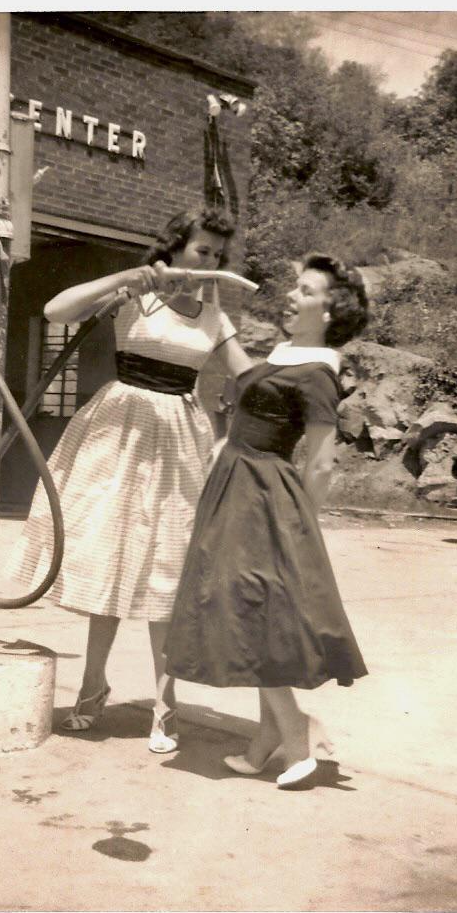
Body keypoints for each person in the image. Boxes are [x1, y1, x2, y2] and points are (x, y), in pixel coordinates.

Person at [6, 209, 253, 753]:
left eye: (216, 255)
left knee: (164, 571)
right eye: (200, 251)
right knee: (111, 560)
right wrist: (125, 278)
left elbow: (251, 377)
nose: (209, 263)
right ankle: (93, 686)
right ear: (175, 248)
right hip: (118, 430)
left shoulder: (214, 315)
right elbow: (55, 310)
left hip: (180, 441)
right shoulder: (136, 296)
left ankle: (166, 705)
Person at [165, 253, 369, 788]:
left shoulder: (320, 370)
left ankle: (296, 739)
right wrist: (209, 304)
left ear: (329, 309)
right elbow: (241, 369)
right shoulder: (285, 356)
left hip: (265, 497)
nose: (290, 295)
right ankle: (265, 741)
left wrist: (297, 525)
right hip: (236, 485)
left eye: (304, 290)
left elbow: (322, 460)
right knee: (248, 609)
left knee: (254, 614)